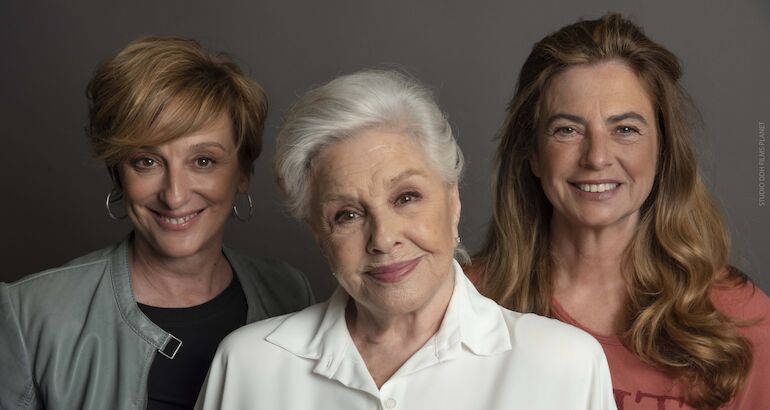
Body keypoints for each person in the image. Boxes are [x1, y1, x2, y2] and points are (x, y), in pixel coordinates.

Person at [195, 69, 616, 409]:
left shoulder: (564, 366)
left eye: (406, 197)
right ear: (320, 236)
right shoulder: (249, 365)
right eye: (347, 215)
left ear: (452, 202)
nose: (383, 238)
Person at [471, 13, 770, 410]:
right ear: (534, 154)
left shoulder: (742, 321)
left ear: (663, 150)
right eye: (567, 129)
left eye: (625, 129)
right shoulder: (464, 303)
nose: (596, 157)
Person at [0, 36, 314, 409]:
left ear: (242, 172)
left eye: (203, 161)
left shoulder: (289, 293)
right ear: (118, 172)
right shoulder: (28, 313)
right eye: (146, 161)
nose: (174, 195)